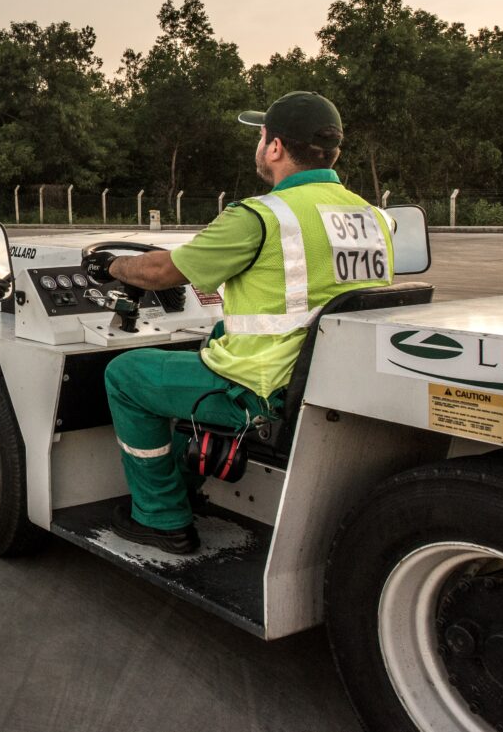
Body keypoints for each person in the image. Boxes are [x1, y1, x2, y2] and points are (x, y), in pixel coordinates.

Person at [84, 91, 394, 554]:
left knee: (125, 374)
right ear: (334, 152)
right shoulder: (375, 219)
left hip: (261, 388)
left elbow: (160, 272)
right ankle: (193, 473)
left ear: (274, 148)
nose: (260, 144)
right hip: (333, 382)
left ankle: (160, 516)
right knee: (214, 336)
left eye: (262, 135)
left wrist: (109, 267)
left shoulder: (260, 216)